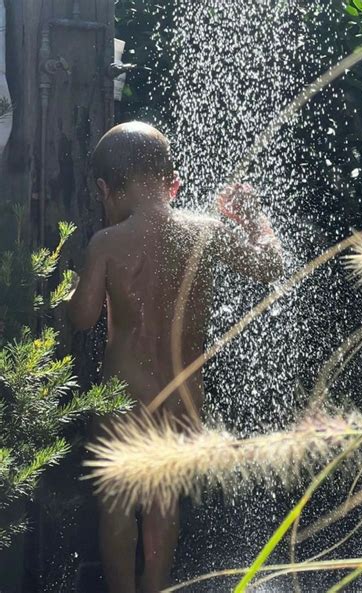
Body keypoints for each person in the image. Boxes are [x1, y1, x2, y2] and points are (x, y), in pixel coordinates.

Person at [68, 121, 283, 593]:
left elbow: (83, 319)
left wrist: (66, 295)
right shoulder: (205, 232)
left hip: (121, 395)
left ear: (106, 189)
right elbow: (270, 267)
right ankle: (156, 587)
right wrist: (254, 220)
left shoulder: (106, 243)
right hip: (183, 395)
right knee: (163, 502)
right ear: (174, 184)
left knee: (118, 503)